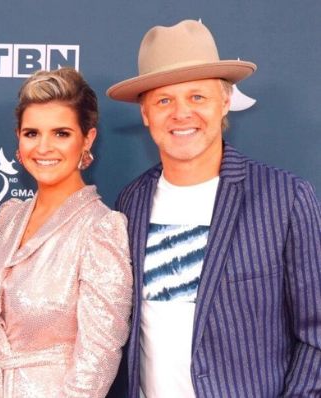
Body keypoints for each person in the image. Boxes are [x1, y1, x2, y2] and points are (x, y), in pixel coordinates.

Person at [107, 19, 321, 397]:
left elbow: (315, 333)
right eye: (164, 100)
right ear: (145, 114)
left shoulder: (285, 198)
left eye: (197, 97)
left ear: (225, 103)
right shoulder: (130, 202)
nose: (181, 113)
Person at [0, 68, 133, 397]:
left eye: (61, 133)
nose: (44, 147)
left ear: (87, 139)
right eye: (32, 133)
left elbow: (99, 354)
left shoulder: (101, 227)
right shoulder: (9, 216)